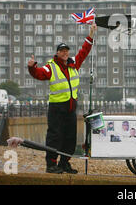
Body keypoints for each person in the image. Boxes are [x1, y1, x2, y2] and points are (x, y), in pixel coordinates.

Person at [28, 23, 97, 174]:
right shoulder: (50, 67)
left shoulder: (73, 64)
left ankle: (64, 163)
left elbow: (84, 52)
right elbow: (38, 74)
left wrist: (91, 34)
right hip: (57, 109)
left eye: (66, 51)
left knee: (70, 138)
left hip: (71, 108)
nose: (65, 53)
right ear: (57, 53)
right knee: (54, 137)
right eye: (62, 51)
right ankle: (51, 165)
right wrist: (32, 67)